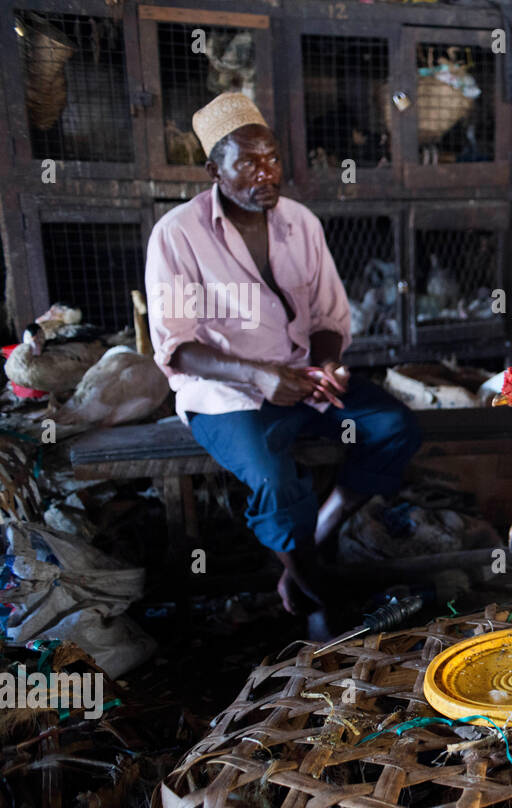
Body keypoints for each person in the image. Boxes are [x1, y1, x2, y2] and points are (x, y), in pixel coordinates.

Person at [145, 93, 422, 641]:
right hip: (227, 392)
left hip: (300, 377)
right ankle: (303, 578)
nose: (265, 172)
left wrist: (326, 365)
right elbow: (176, 347)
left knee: (395, 426)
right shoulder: (177, 234)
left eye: (270, 157)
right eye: (246, 162)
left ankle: (321, 528)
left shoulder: (300, 222)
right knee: (274, 478)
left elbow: (325, 314)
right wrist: (258, 375)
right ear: (213, 170)